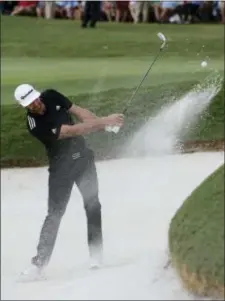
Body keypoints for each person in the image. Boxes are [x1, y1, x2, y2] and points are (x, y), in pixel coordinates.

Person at [14, 84, 124, 280]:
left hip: (83, 159)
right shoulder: (35, 125)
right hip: (61, 169)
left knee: (93, 205)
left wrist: (103, 125)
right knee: (54, 214)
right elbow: (70, 131)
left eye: (36, 99)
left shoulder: (51, 95)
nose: (36, 104)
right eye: (31, 104)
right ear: (25, 106)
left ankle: (96, 255)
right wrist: (104, 122)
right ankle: (38, 264)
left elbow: (80, 112)